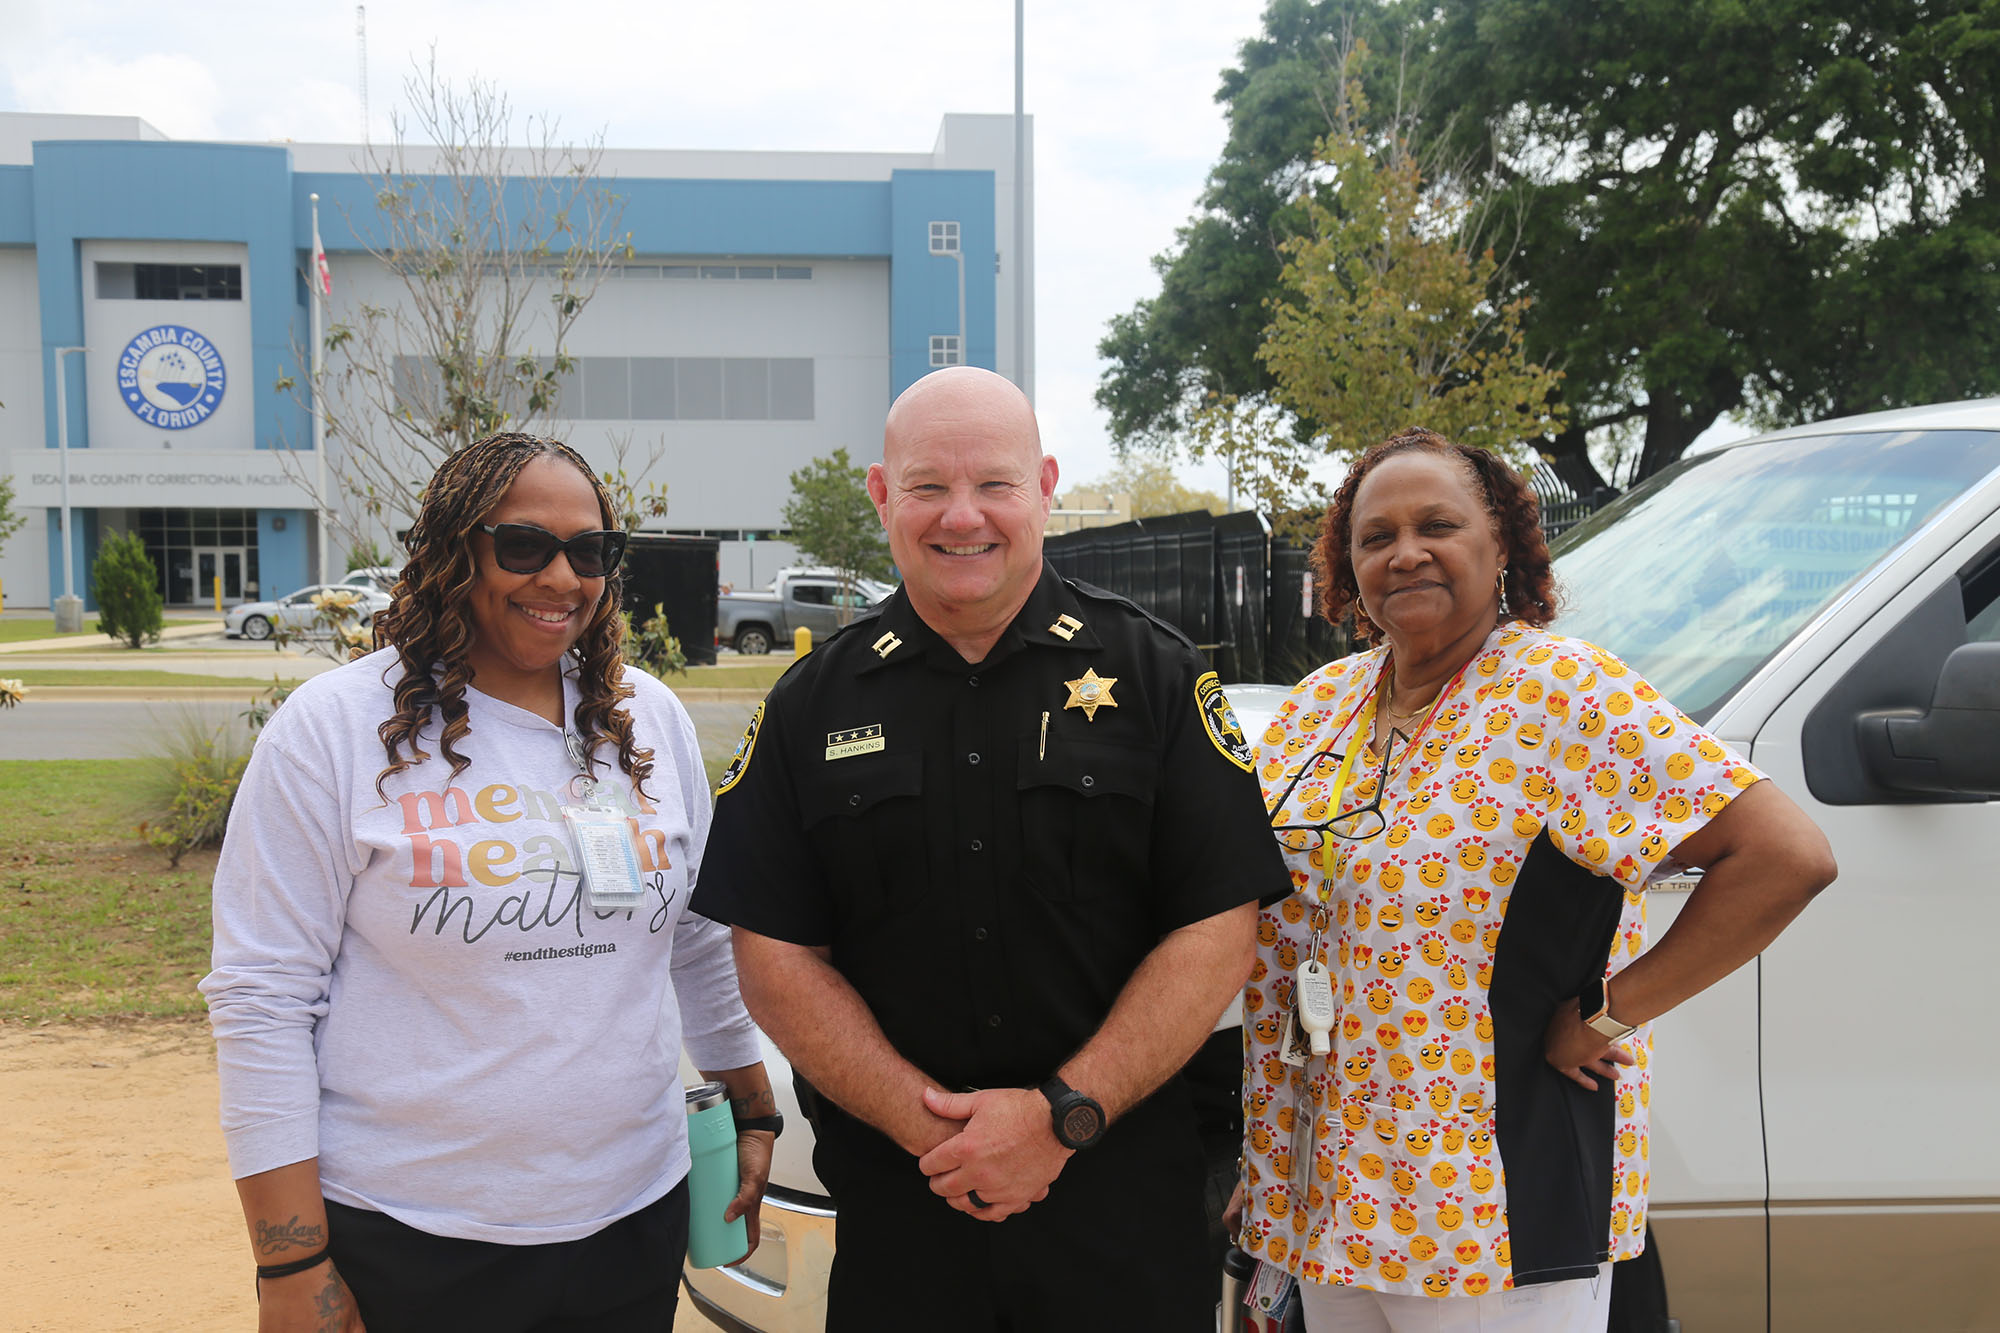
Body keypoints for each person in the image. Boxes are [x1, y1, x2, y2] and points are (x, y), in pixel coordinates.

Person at [693, 366, 1291, 1331]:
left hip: (1120, 1225)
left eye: (996, 484)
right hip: (906, 1223)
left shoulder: (1154, 675)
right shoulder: (811, 707)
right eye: (928, 485)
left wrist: (1059, 1119)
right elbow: (772, 955)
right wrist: (934, 1129)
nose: (962, 516)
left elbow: (1218, 930)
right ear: (885, 496)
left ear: (1044, 486)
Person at [1241, 428, 1835, 1331]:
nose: (1406, 553)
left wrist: (1609, 1013)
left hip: (1493, 1197)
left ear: (1503, 544)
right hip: (1332, 1193)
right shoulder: (1321, 707)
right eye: (1375, 536)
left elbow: (1786, 856)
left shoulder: (1563, 696)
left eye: (1437, 524)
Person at [202, 433, 777, 1332]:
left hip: (632, 1217)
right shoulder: (335, 729)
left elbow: (697, 941)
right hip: (412, 1236)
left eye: (590, 552)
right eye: (523, 546)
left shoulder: (645, 719)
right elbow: (263, 997)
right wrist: (292, 1264)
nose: (560, 577)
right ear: (451, 551)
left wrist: (753, 1109)